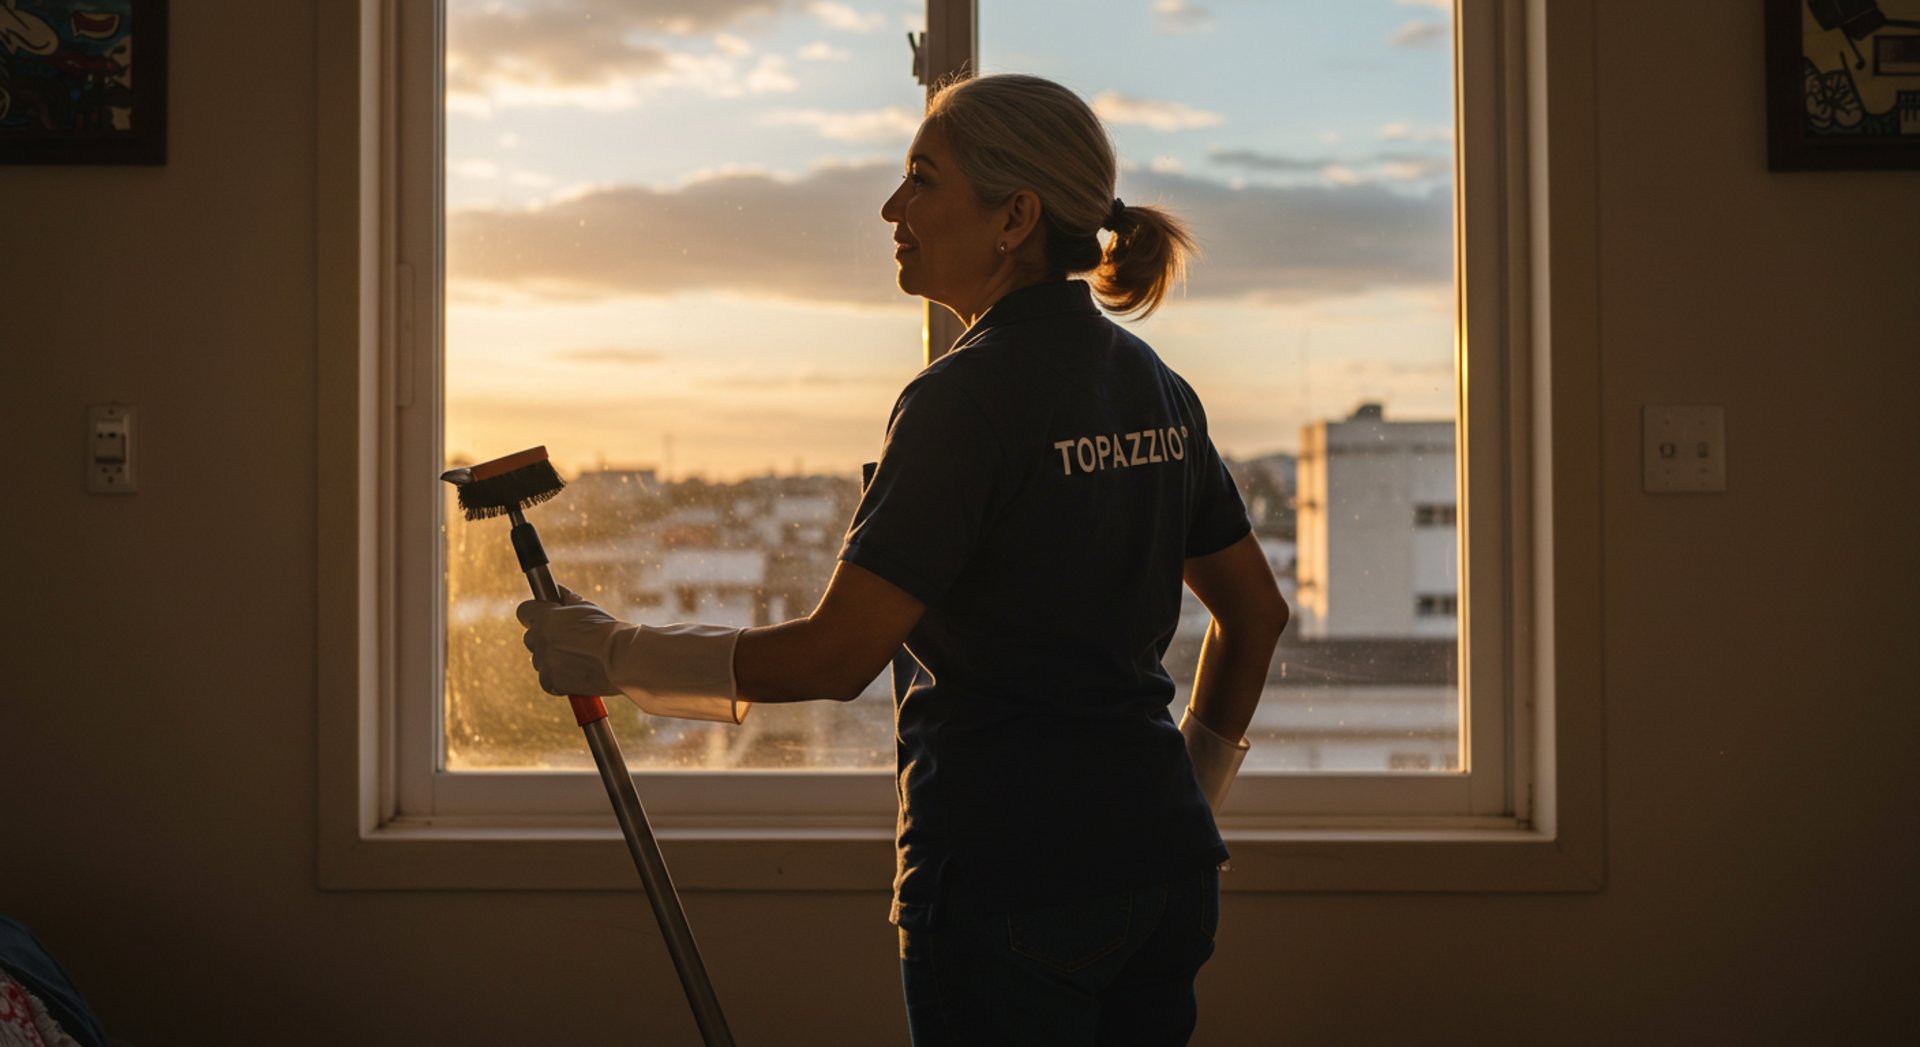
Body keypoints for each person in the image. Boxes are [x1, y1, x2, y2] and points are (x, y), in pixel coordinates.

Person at [517, 73, 1288, 1046]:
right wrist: (1181, 799)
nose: (892, 208)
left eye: (922, 180)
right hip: (1164, 870)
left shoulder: (964, 402)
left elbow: (837, 657)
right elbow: (1256, 617)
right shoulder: (1153, 384)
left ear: (1016, 217)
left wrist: (615, 653)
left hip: (1008, 882)